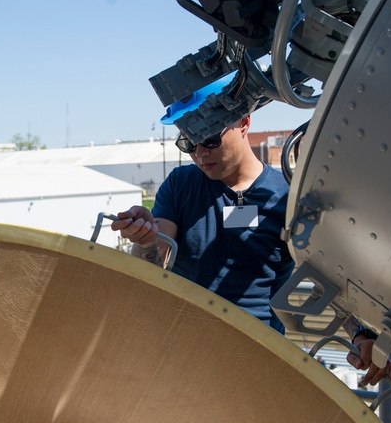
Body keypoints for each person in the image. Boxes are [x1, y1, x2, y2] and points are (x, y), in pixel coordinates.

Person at [112, 114, 294, 333]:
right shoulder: (180, 184)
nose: (199, 154)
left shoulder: (289, 196)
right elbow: (153, 265)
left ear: (243, 123)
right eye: (187, 143)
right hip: (185, 344)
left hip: (258, 349)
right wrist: (145, 241)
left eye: (210, 139)